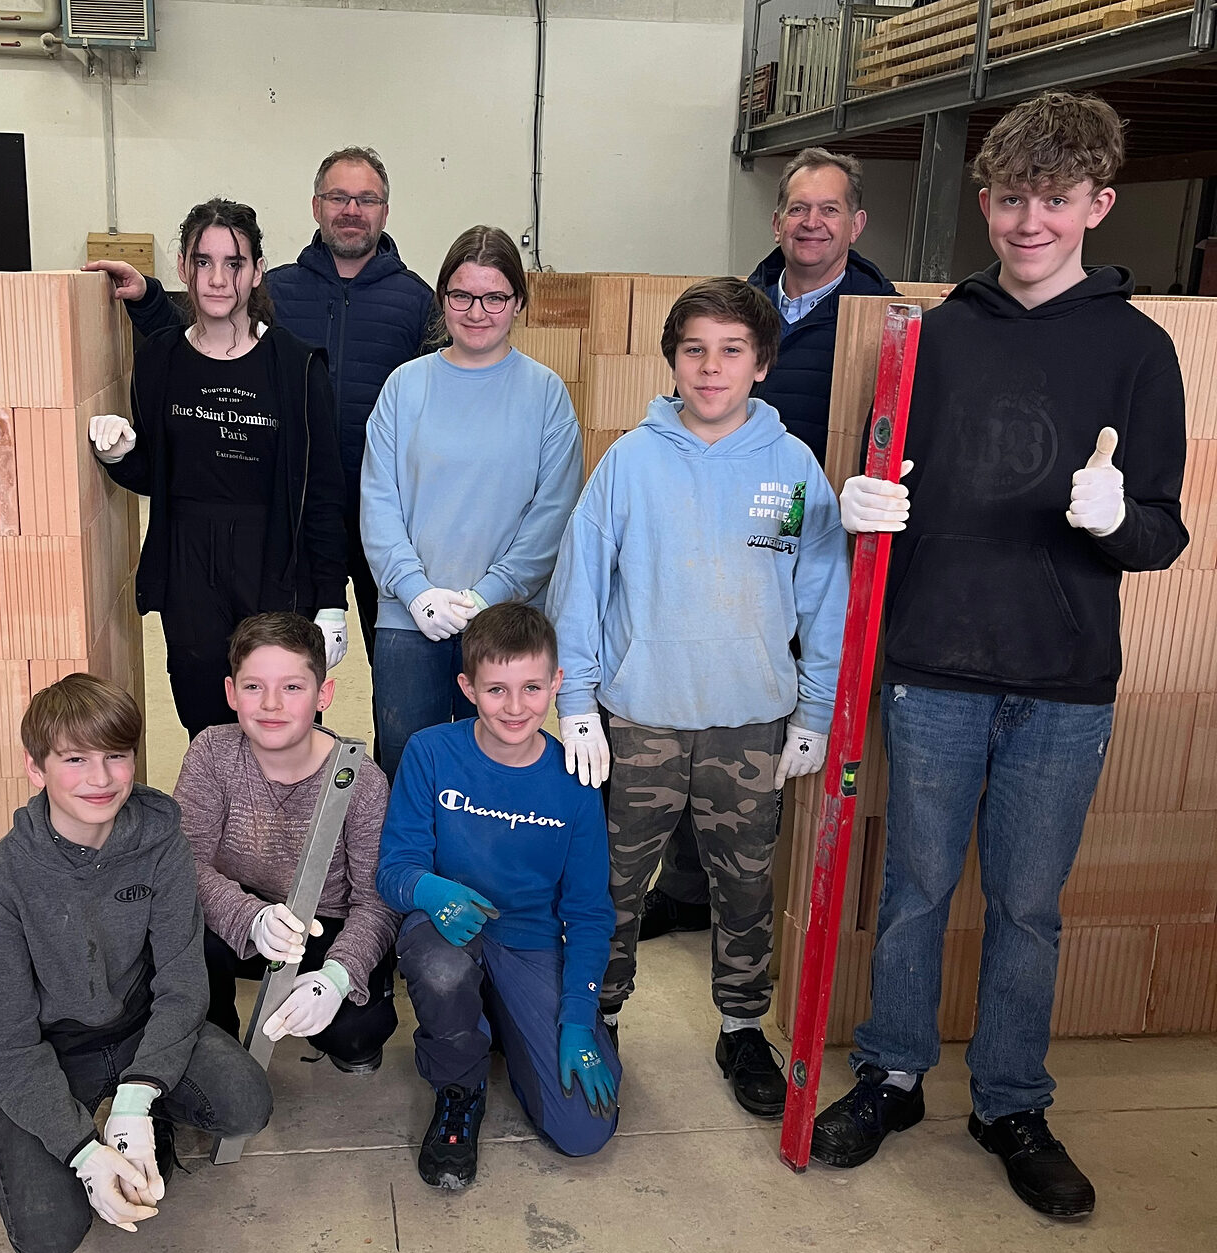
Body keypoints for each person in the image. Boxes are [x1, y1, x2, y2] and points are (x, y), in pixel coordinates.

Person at [811, 92, 1188, 1220]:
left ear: (1096, 205)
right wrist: (858, 506)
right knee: (916, 886)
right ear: (984, 201)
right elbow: (884, 473)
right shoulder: (928, 332)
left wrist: (1113, 518)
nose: (1028, 221)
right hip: (929, 663)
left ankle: (1010, 1100)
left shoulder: (1136, 351)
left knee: (1026, 903)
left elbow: (1160, 536)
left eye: (1054, 200)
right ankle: (889, 1072)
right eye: (1011, 197)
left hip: (1062, 678)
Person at [547, 278, 848, 1113]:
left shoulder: (790, 467)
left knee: (744, 886)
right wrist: (578, 703)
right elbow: (579, 588)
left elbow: (825, 592)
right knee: (610, 883)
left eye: (732, 351)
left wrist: (815, 709)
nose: (711, 368)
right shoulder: (630, 463)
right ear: (672, 361)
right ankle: (596, 1014)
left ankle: (743, 1026)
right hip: (638, 721)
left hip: (750, 725)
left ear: (761, 364)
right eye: (694, 350)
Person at [641, 148, 895, 942]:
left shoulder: (878, 315)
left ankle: (752, 904)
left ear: (855, 222)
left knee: (769, 727)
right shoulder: (745, 303)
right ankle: (685, 887)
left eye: (830, 209)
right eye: (798, 208)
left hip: (814, 530)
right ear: (778, 218)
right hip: (726, 537)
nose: (811, 222)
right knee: (700, 707)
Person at [0, 673, 272, 1253]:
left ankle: (148, 1118)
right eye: (75, 759)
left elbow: (182, 981)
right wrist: (82, 1148)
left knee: (245, 1103)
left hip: (138, 1027)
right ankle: (61, 1127)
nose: (100, 779)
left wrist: (139, 1093)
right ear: (37, 769)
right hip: (52, 1051)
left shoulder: (162, 843)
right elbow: (7, 1045)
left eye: (116, 757)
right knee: (47, 1237)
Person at [86, 148, 433, 661]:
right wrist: (147, 299)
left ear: (386, 210)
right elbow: (205, 341)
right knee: (283, 671)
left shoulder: (416, 300)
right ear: (316, 205)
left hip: (385, 514)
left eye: (367, 199)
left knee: (396, 664)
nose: (352, 209)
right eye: (339, 197)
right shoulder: (280, 288)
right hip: (290, 512)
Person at [377, 603, 620, 1190]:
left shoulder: (574, 778)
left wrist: (580, 1018)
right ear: (467, 687)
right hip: (446, 930)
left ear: (557, 685)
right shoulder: (431, 752)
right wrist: (430, 890)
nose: (516, 708)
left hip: (531, 943)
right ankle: (460, 1085)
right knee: (439, 972)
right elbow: (393, 870)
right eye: (496, 690)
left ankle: (516, 1024)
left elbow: (589, 911)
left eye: (533, 687)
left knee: (585, 1131)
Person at [87, 198, 346, 738]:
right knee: (204, 720)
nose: (218, 279)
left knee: (280, 720)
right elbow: (153, 473)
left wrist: (330, 600)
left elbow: (321, 494)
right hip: (189, 566)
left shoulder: (297, 367)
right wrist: (120, 455)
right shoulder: (159, 361)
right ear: (183, 267)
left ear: (256, 272)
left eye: (234, 263)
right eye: (204, 262)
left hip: (273, 563)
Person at [360, 226, 582, 785]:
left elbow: (551, 517)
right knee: (408, 774)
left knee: (497, 778)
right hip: (410, 623)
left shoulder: (546, 394)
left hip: (509, 625)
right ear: (442, 299)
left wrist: (488, 594)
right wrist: (415, 592)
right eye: (462, 295)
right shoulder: (405, 387)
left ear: (518, 304)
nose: (477, 311)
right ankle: (411, 878)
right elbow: (378, 502)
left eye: (495, 297)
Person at [174, 612, 400, 1075]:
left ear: (324, 695)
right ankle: (213, 1052)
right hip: (241, 916)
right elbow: (185, 863)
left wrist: (336, 978)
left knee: (355, 1032)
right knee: (181, 934)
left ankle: (344, 1012)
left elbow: (377, 902)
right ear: (231, 693)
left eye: (293, 688)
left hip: (326, 927)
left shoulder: (363, 781)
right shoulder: (212, 752)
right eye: (254, 687)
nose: (272, 704)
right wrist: (250, 918)